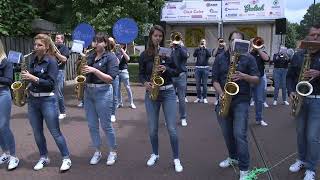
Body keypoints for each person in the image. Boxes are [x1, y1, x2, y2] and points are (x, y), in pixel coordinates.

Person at [212, 31, 260, 180]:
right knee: (227, 134)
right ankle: (233, 157)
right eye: (233, 40)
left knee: (239, 134)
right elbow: (214, 80)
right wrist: (221, 94)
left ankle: (244, 168)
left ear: (244, 43)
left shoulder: (249, 58)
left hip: (241, 100)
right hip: (224, 99)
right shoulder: (220, 58)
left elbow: (257, 79)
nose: (235, 43)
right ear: (229, 41)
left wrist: (244, 76)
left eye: (238, 41)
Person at [21, 34, 71, 171]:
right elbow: (30, 79)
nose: (36, 47)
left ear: (47, 46)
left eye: (39, 45)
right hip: (33, 100)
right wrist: (25, 83)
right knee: (37, 132)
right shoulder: (33, 61)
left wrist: (33, 78)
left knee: (55, 132)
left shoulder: (52, 61)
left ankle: (66, 158)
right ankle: (44, 157)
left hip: (47, 100)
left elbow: (50, 84)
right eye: (35, 45)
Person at [139, 25, 183, 172]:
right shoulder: (144, 54)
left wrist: (167, 69)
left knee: (172, 129)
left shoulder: (168, 52)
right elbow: (141, 74)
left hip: (168, 92)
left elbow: (177, 71)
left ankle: (176, 158)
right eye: (155, 35)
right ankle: (155, 154)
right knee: (152, 129)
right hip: (152, 94)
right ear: (151, 36)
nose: (158, 38)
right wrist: (145, 82)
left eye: (160, 36)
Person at [287, 24, 320, 180]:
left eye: (318, 35)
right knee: (300, 133)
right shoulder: (299, 55)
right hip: (300, 98)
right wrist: (291, 91)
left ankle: (311, 168)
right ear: (307, 36)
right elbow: (290, 76)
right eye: (313, 35)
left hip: (317, 100)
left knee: (312, 136)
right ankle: (301, 159)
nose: (315, 38)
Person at [82, 32, 119, 165]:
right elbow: (83, 73)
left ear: (106, 43)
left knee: (106, 125)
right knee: (92, 125)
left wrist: (94, 70)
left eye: (99, 41)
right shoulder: (89, 56)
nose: (96, 44)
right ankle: (97, 151)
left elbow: (110, 78)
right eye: (94, 41)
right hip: (88, 92)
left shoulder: (111, 57)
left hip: (103, 92)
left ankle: (113, 151)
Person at [0, 40, 19, 170]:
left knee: (3, 125)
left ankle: (13, 156)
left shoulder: (5, 62)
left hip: (3, 94)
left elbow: (8, 80)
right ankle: (5, 153)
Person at [250, 37, 270, 126]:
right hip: (249, 79)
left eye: (257, 43)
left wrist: (258, 50)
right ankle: (243, 119)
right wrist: (250, 47)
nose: (255, 44)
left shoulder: (262, 52)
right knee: (245, 100)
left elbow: (266, 59)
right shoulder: (248, 53)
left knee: (259, 100)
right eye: (254, 43)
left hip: (259, 79)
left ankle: (259, 119)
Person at [170, 32, 189, 127]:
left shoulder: (183, 48)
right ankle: (170, 118)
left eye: (177, 38)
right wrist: (171, 48)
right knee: (170, 99)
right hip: (171, 76)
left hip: (181, 75)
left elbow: (186, 56)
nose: (175, 40)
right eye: (174, 38)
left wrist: (180, 46)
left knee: (181, 99)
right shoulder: (171, 49)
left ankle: (183, 118)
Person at [54, 34, 70, 120]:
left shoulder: (64, 48)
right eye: (55, 38)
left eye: (58, 38)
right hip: (52, 71)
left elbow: (64, 59)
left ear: (62, 40)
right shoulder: (52, 48)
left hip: (60, 71)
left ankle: (62, 112)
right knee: (53, 92)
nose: (56, 39)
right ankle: (54, 111)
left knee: (58, 93)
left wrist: (55, 53)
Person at [116, 44, 136, 109]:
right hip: (117, 72)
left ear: (124, 45)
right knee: (118, 88)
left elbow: (128, 59)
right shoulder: (117, 53)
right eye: (120, 44)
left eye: (122, 44)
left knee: (127, 87)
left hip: (124, 71)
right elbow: (117, 62)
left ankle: (131, 103)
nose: (120, 45)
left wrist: (123, 52)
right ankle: (119, 103)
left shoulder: (126, 52)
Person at [193, 39, 211, 103]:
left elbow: (209, 55)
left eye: (204, 42)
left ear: (206, 43)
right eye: (201, 42)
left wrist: (205, 48)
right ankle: (198, 97)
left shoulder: (207, 49)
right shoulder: (197, 49)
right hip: (198, 68)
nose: (202, 43)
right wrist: (198, 48)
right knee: (197, 84)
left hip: (205, 68)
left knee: (204, 84)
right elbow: (194, 55)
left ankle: (205, 98)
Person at [108, 37, 120, 123]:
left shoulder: (117, 52)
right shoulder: (104, 53)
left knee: (114, 96)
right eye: (109, 41)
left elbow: (118, 62)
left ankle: (113, 114)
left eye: (111, 42)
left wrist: (112, 54)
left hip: (115, 77)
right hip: (106, 76)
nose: (110, 43)